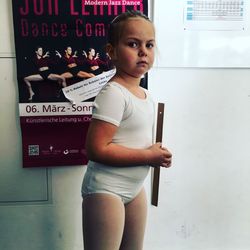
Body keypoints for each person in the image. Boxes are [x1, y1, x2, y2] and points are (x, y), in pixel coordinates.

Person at [81, 10, 172, 250]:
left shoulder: (146, 95)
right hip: (106, 190)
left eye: (149, 45)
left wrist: (155, 152)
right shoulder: (114, 93)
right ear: (111, 52)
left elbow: (133, 140)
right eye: (133, 44)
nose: (143, 51)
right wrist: (148, 156)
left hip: (133, 189)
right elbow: (96, 149)